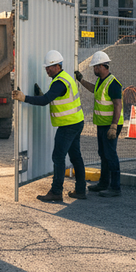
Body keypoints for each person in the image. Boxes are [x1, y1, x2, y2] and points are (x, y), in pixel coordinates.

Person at [12, 50, 86, 203]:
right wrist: (42, 96)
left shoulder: (59, 82)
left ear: (58, 66)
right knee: (75, 157)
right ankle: (80, 190)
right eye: (46, 67)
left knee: (58, 157)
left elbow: (46, 100)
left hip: (68, 126)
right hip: (76, 122)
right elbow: (53, 98)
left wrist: (24, 97)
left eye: (49, 67)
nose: (47, 70)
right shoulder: (65, 78)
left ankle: (56, 192)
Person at [75, 50, 123, 197]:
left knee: (110, 155)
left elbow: (118, 105)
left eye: (96, 67)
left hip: (111, 125)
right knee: (103, 154)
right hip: (103, 124)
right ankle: (103, 183)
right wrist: (81, 80)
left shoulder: (113, 83)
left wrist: (114, 126)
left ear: (104, 66)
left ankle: (115, 187)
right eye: (94, 67)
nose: (94, 69)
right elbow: (94, 90)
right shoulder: (101, 82)